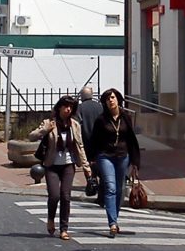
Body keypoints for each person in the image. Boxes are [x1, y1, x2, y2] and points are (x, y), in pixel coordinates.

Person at [29, 95, 91, 241]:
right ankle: (51, 219)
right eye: (65, 106)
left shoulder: (75, 125)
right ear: (59, 107)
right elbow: (31, 136)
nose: (68, 109)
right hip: (52, 165)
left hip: (69, 164)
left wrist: (86, 166)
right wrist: (44, 130)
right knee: (54, 195)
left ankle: (64, 229)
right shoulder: (49, 123)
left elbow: (79, 146)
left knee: (66, 196)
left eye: (71, 107)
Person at [88, 88, 140, 238]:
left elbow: (131, 140)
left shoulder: (126, 118)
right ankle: (112, 223)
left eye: (112, 97)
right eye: (107, 99)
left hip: (123, 156)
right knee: (110, 188)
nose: (110, 100)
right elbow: (94, 140)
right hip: (105, 156)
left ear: (118, 99)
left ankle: (115, 219)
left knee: (120, 189)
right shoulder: (101, 120)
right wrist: (91, 159)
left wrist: (135, 162)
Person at [76, 86, 103, 204]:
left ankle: (91, 182)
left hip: (86, 139)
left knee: (87, 162)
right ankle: (99, 184)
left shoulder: (80, 108)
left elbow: (77, 123)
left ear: (82, 96)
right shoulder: (100, 106)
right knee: (99, 162)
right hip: (99, 140)